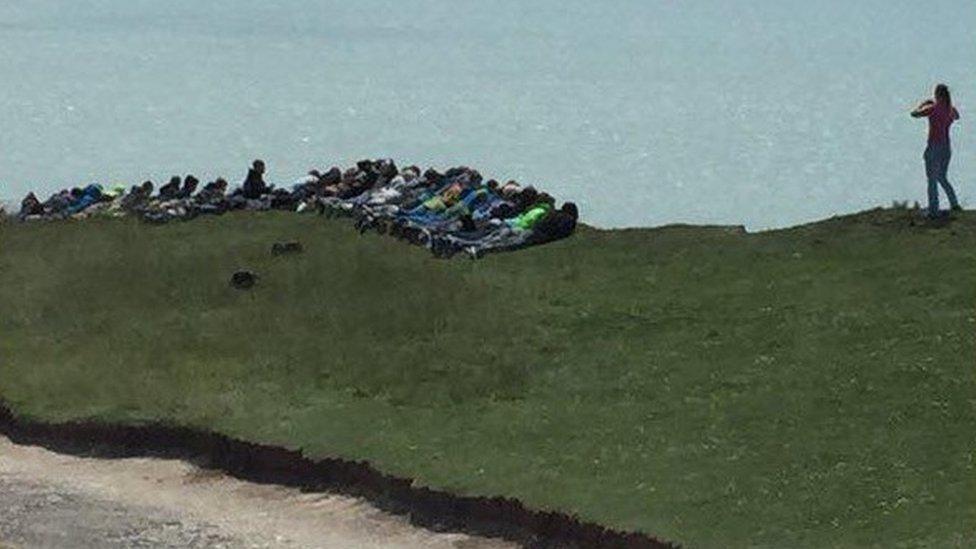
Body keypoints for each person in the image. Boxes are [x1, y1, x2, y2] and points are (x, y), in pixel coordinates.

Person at [912, 84, 961, 217]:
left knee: (932, 179)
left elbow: (914, 114)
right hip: (946, 147)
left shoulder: (933, 108)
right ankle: (954, 203)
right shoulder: (950, 109)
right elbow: (957, 116)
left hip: (934, 145)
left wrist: (923, 104)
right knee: (942, 177)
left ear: (937, 94)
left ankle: (934, 209)